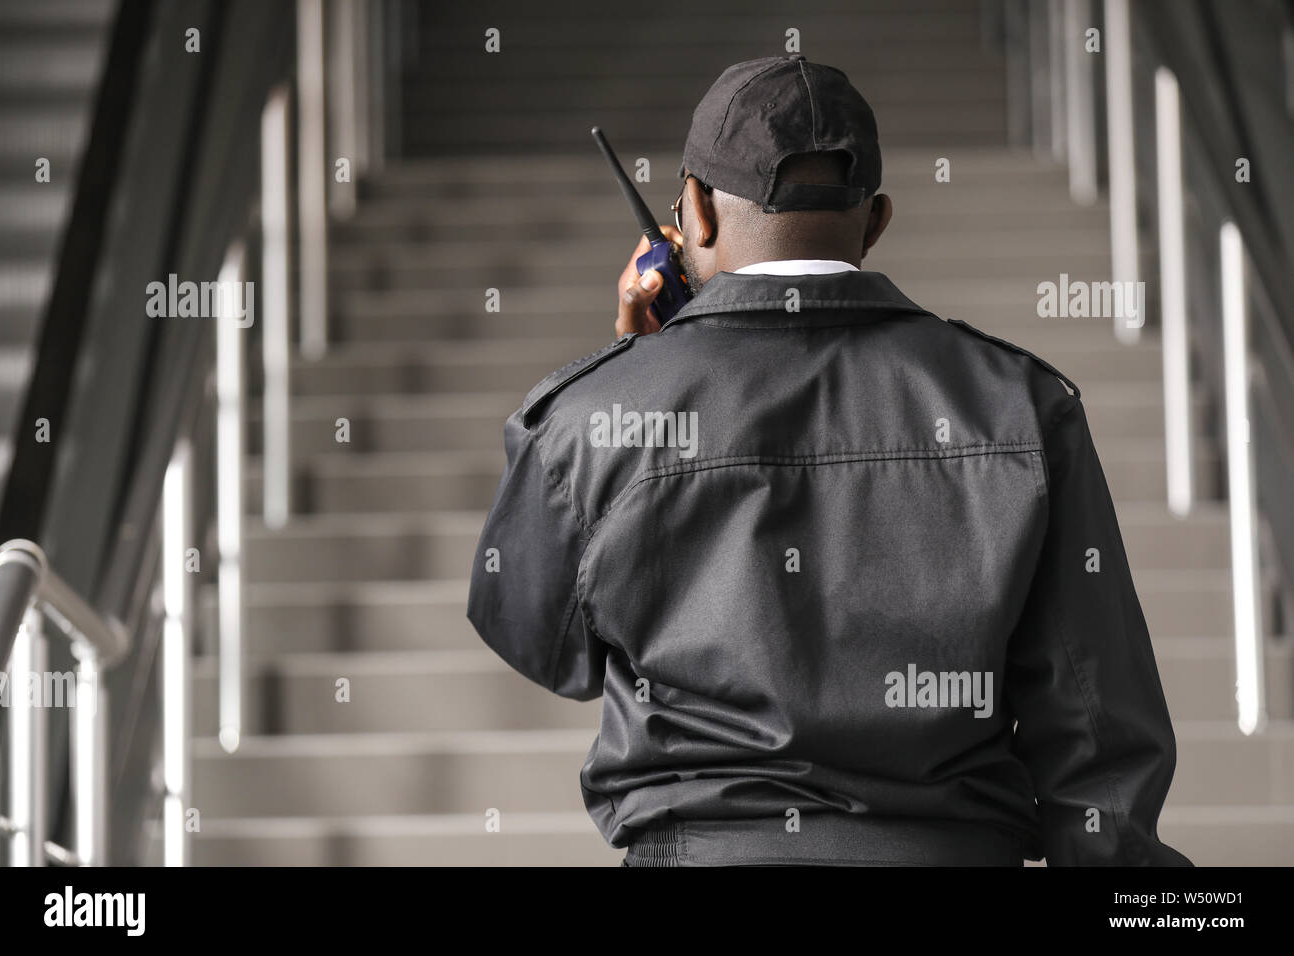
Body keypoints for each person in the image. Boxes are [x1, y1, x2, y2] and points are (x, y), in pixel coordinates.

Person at [467, 55, 1192, 867]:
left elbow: (535, 638)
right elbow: (1099, 745)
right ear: (876, 220)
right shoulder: (1025, 407)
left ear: (695, 213)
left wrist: (635, 379)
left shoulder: (589, 417)